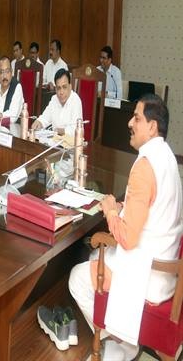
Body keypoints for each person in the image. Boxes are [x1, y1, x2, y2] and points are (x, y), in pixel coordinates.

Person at [69, 94, 182, 361]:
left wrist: (110, 212)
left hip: (148, 276)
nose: (130, 123)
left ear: (152, 127)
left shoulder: (144, 167)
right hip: (165, 266)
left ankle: (120, 342)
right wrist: (123, 208)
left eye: (137, 118)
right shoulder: (166, 157)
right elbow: (150, 209)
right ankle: (122, 341)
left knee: (77, 277)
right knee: (96, 257)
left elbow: (129, 240)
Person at [31, 68, 82, 136]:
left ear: (70, 86)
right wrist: (38, 122)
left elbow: (76, 129)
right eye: (58, 88)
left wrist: (61, 131)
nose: (61, 92)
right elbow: (45, 118)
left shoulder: (76, 100)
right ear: (55, 89)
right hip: (54, 142)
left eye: (64, 87)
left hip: (70, 144)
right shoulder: (54, 99)